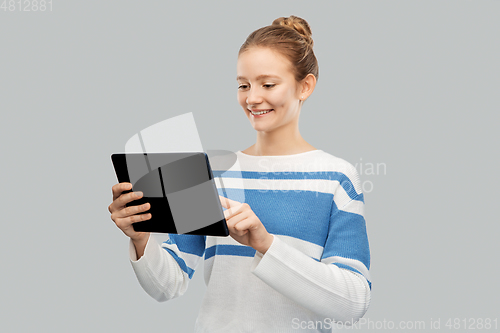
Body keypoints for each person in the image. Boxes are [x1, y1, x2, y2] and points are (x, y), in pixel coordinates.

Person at [109, 15, 371, 332]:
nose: (252, 98)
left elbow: (353, 303)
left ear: (306, 86)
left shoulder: (336, 177)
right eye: (243, 85)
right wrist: (140, 238)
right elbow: (168, 284)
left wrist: (266, 244)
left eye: (268, 84)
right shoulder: (209, 172)